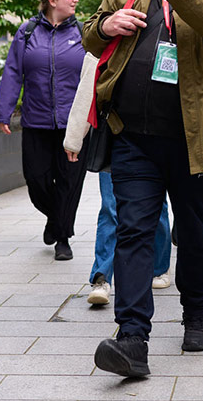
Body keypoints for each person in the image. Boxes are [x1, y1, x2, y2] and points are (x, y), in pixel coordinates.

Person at [82, 0, 203, 378]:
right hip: (132, 137)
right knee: (134, 231)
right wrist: (106, 27)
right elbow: (92, 33)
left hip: (194, 142)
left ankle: (195, 313)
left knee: (194, 234)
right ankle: (132, 337)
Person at [62, 54, 173, 306]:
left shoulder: (166, 26)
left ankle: (158, 266)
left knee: (157, 207)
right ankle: (101, 277)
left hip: (158, 135)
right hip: (114, 137)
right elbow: (87, 85)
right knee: (111, 207)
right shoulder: (108, 29)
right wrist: (74, 137)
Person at [0, 0, 86, 262]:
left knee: (70, 182)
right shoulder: (27, 31)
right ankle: (55, 218)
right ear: (52, 0)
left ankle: (63, 237)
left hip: (73, 124)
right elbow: (13, 71)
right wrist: (3, 110)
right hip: (36, 121)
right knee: (36, 180)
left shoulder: (84, 32)